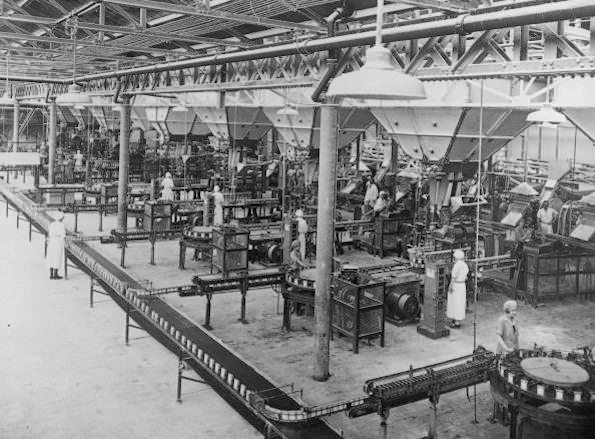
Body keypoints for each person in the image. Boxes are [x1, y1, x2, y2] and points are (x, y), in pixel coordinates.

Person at [446, 249, 469, 328]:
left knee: (454, 303)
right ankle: (457, 320)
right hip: (462, 285)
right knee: (460, 303)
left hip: (456, 285)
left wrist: (450, 286)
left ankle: (455, 321)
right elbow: (466, 276)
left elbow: (453, 277)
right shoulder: (465, 265)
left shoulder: (457, 265)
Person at [46, 211, 66, 279]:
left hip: (52, 241)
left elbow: (50, 233)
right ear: (61, 218)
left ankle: (51, 274)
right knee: (57, 257)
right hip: (58, 242)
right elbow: (63, 235)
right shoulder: (62, 225)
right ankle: (55, 274)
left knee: (51, 257)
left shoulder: (52, 224)